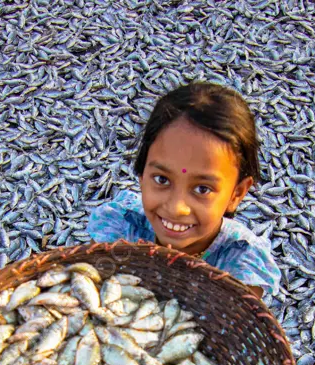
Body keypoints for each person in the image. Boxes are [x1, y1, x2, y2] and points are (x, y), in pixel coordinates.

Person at [87, 82, 281, 300]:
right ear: (141, 176)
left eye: (202, 189)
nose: (176, 208)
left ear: (236, 194)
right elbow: (96, 282)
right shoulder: (122, 225)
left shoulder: (241, 263)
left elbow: (240, 321)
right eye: (162, 179)